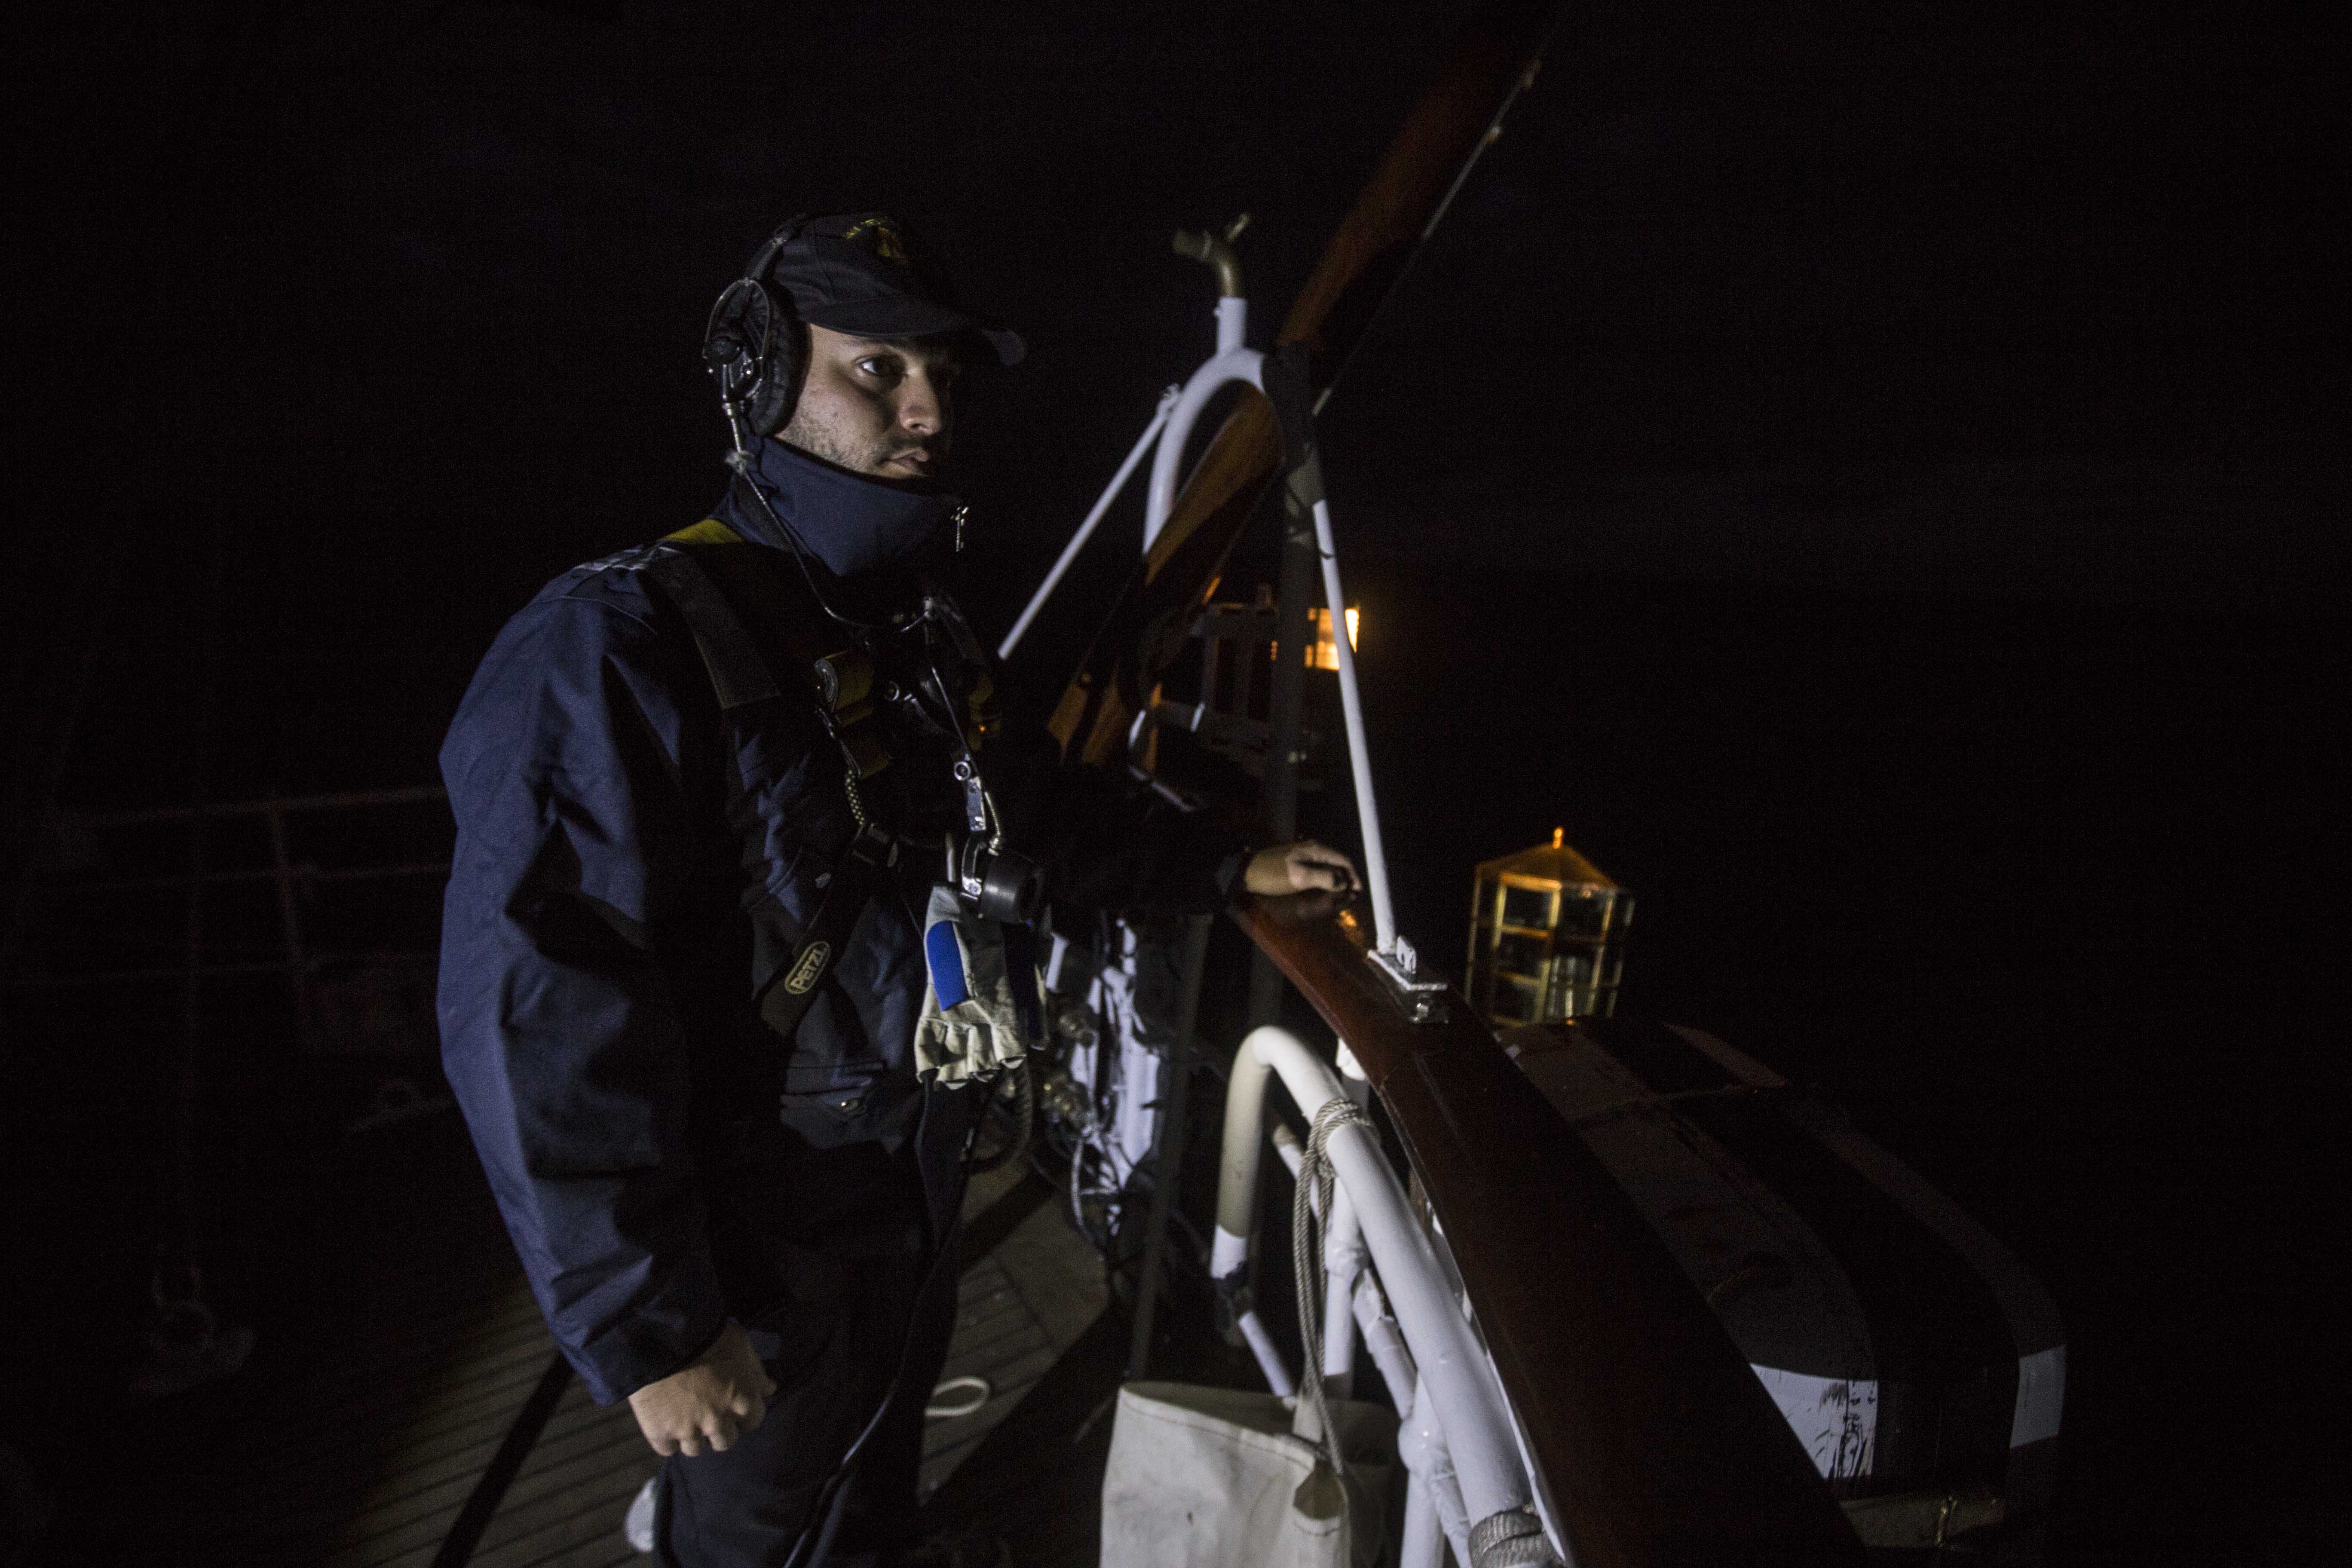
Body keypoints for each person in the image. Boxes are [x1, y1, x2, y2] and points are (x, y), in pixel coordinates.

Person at [435, 211, 1357, 1568]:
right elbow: (537, 1001)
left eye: (946, 379)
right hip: (761, 1226)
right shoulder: (615, 643)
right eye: (879, 370)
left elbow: (1027, 812)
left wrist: (1220, 865)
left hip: (910, 1170)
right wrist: (658, 1329)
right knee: (754, 1522)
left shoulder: (913, 632)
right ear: (756, 373)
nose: (929, 410)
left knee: (871, 1473)